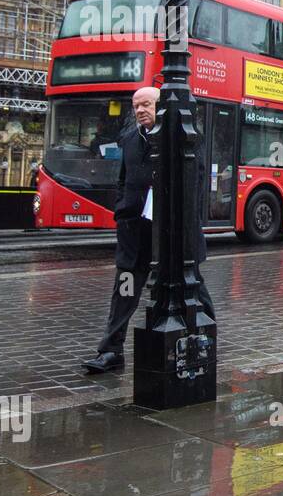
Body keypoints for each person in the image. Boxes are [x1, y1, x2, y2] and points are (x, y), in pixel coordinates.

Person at [84, 86, 216, 374]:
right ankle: (110, 351)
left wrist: (185, 221)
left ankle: (208, 339)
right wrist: (123, 208)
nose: (141, 110)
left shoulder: (184, 137)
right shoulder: (130, 139)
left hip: (173, 232)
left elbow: (197, 184)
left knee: (191, 284)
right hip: (136, 233)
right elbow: (123, 180)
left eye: (146, 104)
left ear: (162, 106)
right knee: (125, 288)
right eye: (136, 106)